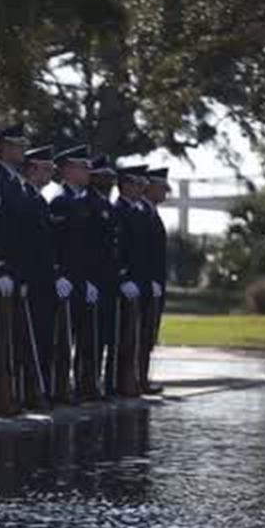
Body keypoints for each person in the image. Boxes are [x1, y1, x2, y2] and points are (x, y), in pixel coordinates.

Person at [48, 144, 101, 403]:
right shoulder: (60, 201)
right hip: (66, 281)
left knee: (83, 337)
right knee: (63, 340)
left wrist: (89, 279)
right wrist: (58, 274)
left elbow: (86, 249)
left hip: (81, 280)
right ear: (68, 169)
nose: (87, 172)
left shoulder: (81, 203)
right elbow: (54, 244)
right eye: (82, 166)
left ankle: (79, 386)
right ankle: (59, 388)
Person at [18, 144, 68, 411]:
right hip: (32, 281)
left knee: (45, 338)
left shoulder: (38, 199)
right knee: (31, 339)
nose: (50, 173)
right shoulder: (25, 197)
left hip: (45, 281)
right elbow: (23, 244)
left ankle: (41, 389)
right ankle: (30, 391)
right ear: (33, 168)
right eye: (47, 168)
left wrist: (56, 274)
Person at [0, 123, 29, 416]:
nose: (21, 150)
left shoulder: (15, 181)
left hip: (16, 270)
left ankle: (7, 395)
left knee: (11, 338)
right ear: (2, 148)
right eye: (16, 145)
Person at [113, 164, 152, 397]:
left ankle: (132, 379)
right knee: (123, 338)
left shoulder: (137, 212)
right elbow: (117, 249)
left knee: (134, 337)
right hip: (125, 284)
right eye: (137, 183)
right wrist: (124, 277)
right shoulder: (119, 210)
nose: (141, 188)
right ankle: (120, 382)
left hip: (138, 283)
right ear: (125, 185)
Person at [87, 155, 122, 398]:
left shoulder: (107, 206)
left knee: (108, 335)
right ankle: (88, 384)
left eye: (111, 177)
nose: (109, 181)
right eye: (104, 176)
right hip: (94, 279)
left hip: (109, 281)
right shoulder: (89, 203)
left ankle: (105, 382)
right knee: (92, 338)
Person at [141, 167, 171, 395]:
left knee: (148, 334)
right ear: (148, 187)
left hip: (155, 285)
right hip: (143, 285)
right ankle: (134, 378)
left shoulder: (151, 213)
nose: (165, 193)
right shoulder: (141, 212)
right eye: (161, 188)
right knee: (138, 334)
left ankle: (140, 377)